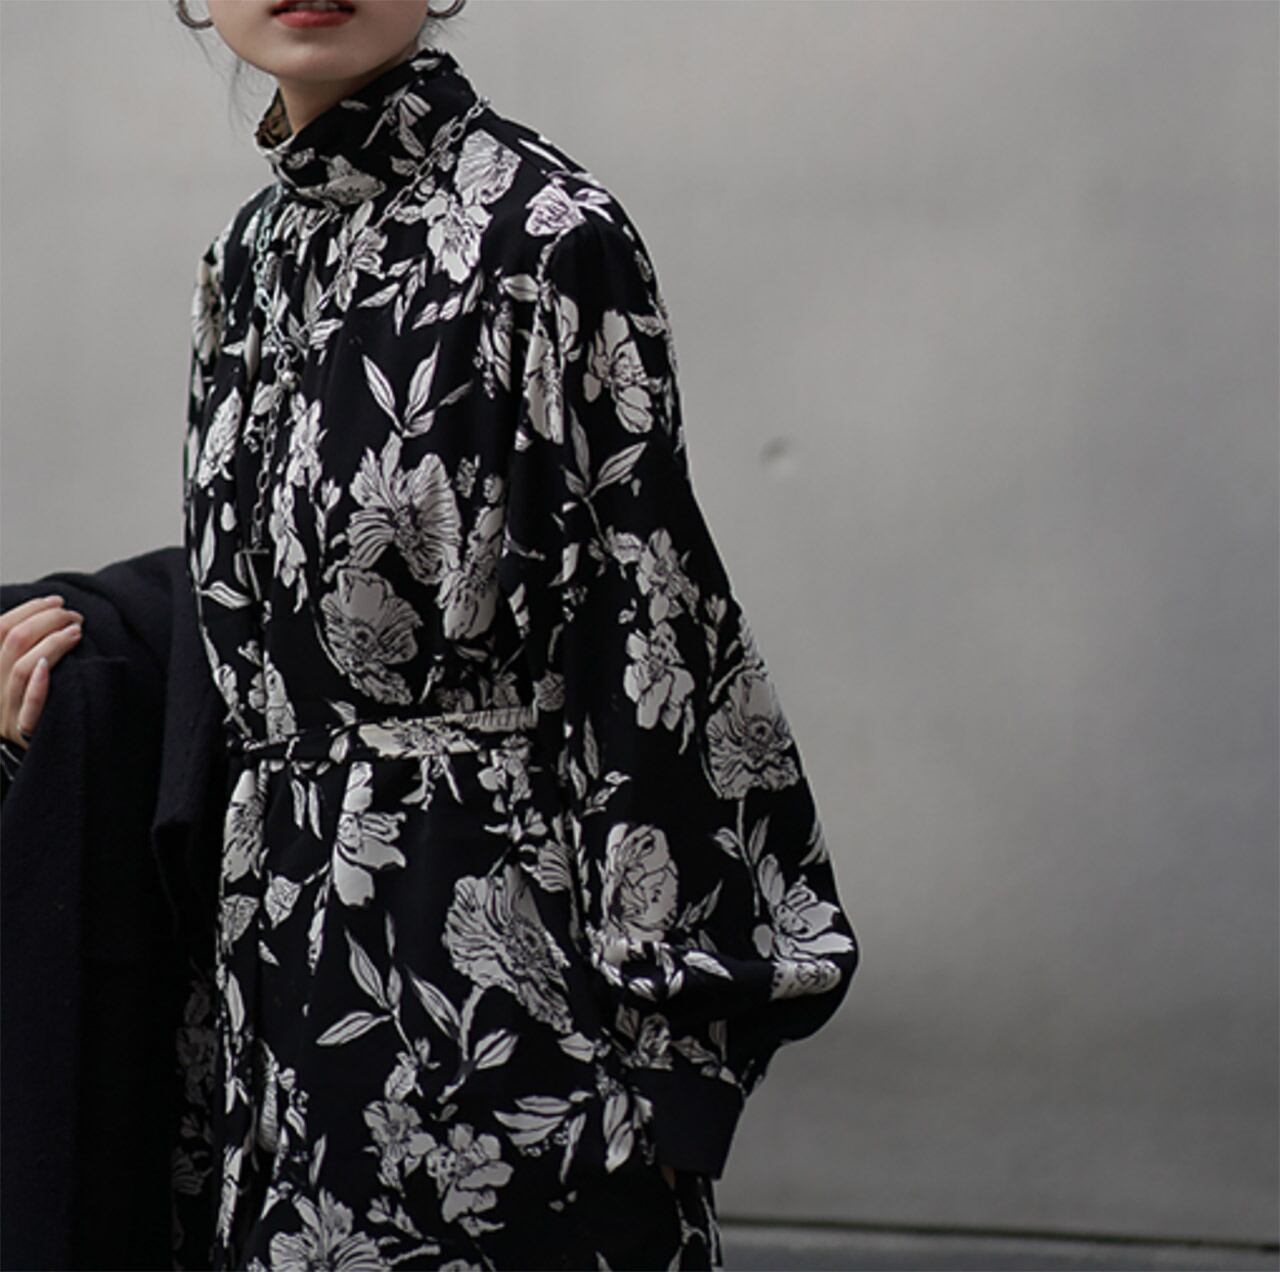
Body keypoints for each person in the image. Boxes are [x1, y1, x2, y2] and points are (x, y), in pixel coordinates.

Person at [0, 2, 859, 1268]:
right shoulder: (248, 258)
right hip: (276, 1005)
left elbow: (651, 629)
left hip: (505, 999)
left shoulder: (545, 235)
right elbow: (271, 613)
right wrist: (83, 670)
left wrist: (683, 1038)